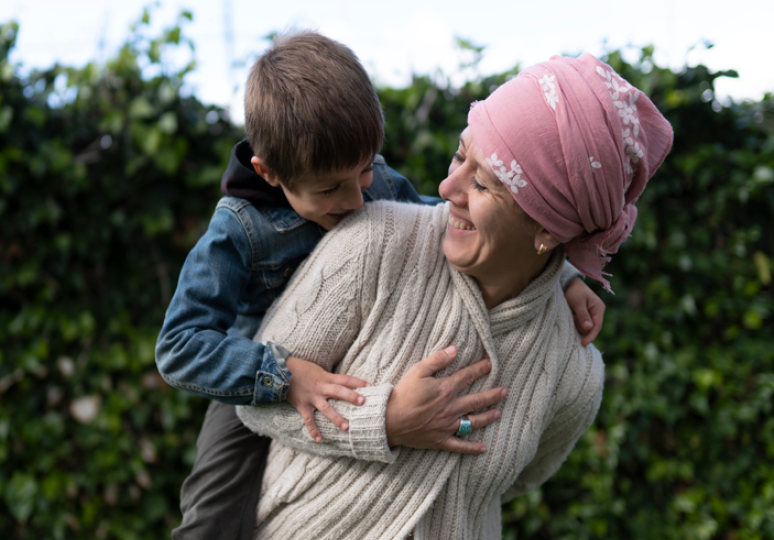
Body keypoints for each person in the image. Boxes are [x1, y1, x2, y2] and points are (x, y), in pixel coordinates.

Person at [155, 32, 606, 540]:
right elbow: (178, 347)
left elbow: (457, 223)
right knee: (211, 517)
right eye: (329, 189)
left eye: (365, 171)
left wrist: (564, 275)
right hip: (249, 372)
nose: (356, 202)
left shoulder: (378, 193)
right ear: (270, 172)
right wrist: (283, 375)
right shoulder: (237, 230)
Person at [237, 53, 673, 540]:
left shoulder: (576, 371)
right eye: (460, 156)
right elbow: (253, 400)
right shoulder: (374, 243)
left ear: (547, 228)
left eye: (482, 182)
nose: (447, 187)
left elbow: (517, 482)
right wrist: (385, 421)